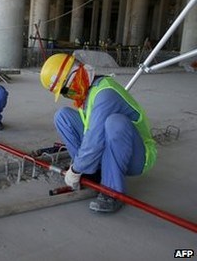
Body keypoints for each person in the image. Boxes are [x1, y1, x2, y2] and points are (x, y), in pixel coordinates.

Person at [40, 53, 157, 213]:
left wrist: (75, 170)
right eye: (63, 93)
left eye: (65, 90)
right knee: (63, 116)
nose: (67, 95)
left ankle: (113, 191)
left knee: (115, 123)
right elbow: (90, 132)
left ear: (75, 75)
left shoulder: (105, 93)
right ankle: (91, 172)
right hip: (111, 146)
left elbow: (94, 139)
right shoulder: (86, 93)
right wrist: (81, 167)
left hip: (137, 155)